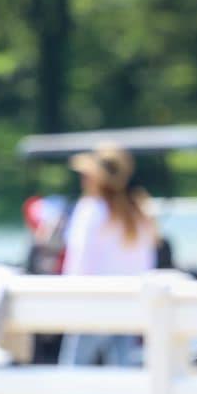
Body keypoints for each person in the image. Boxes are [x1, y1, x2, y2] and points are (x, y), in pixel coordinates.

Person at [59, 143, 157, 365]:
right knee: (122, 373)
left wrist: (68, 303)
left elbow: (78, 264)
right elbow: (146, 265)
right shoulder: (138, 212)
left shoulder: (91, 209)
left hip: (92, 304)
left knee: (73, 373)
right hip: (128, 305)